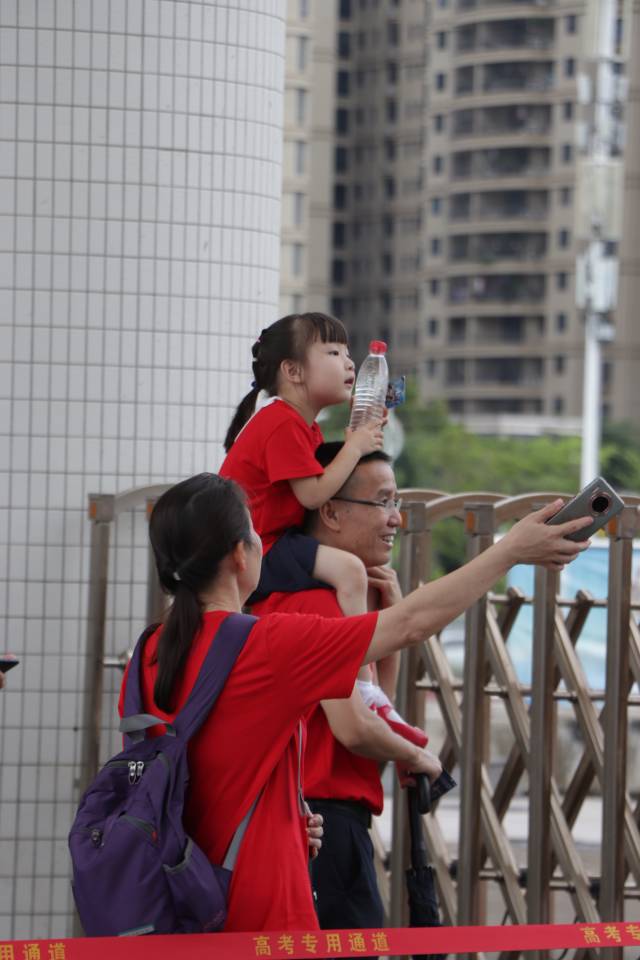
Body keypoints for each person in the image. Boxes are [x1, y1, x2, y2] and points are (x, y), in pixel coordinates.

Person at [119, 471, 591, 932]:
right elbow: (412, 623)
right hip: (254, 916)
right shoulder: (262, 646)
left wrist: (280, 823)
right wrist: (509, 551)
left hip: (174, 910)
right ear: (241, 554)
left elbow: (197, 778)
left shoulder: (148, 653)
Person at [251, 443, 580, 929]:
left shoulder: (326, 598)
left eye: (397, 503)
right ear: (331, 512)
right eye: (383, 501)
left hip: (321, 825)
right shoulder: (311, 605)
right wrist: (414, 755)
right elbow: (355, 727)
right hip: (321, 827)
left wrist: (388, 612)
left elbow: (374, 699)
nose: (395, 519)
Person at [220, 312, 384, 616]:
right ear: (293, 371)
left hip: (267, 544)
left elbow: (322, 479)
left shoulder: (300, 424)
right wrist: (354, 447)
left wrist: (356, 438)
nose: (350, 363)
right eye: (334, 353)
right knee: (351, 572)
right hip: (255, 550)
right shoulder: (282, 423)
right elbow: (312, 495)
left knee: (361, 574)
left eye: (348, 353)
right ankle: (361, 661)